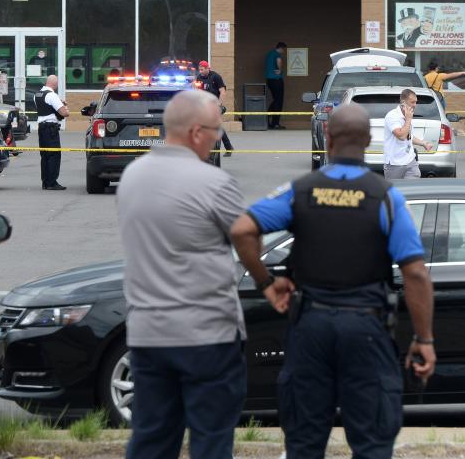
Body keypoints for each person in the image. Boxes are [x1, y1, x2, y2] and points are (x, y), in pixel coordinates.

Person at [231, 102, 435, 459]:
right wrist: (424, 338)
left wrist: (266, 282)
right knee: (371, 442)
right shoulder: (385, 197)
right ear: (369, 139)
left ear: (327, 136)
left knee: (305, 442)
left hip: (311, 327)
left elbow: (242, 229)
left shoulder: (301, 190)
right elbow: (415, 272)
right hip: (366, 329)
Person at [117, 90, 247, 459]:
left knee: (152, 439)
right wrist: (267, 281)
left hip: (148, 337)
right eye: (216, 130)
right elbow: (245, 236)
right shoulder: (214, 183)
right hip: (207, 336)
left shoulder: (132, 177)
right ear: (195, 132)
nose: (218, 137)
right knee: (212, 440)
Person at [383, 88, 434, 180]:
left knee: (414, 189)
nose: (415, 105)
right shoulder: (392, 116)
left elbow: (408, 136)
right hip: (395, 163)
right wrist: (408, 119)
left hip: (410, 161)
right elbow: (401, 136)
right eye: (412, 102)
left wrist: (423, 143)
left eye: (416, 102)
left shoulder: (407, 115)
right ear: (403, 102)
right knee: (395, 191)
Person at [34, 75, 69, 190]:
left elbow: (45, 108)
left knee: (44, 156)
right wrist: (63, 105)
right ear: (54, 83)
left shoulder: (37, 95)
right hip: (51, 129)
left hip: (42, 128)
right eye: (57, 82)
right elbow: (64, 113)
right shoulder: (52, 95)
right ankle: (52, 182)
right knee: (54, 155)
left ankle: (45, 182)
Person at [196, 60, 234, 156]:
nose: (200, 71)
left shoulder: (216, 77)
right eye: (199, 69)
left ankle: (225, 148)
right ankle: (228, 147)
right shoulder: (199, 77)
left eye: (202, 69)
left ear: (208, 68)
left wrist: (219, 104)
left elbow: (222, 91)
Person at [265, 41, 287, 129]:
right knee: (279, 101)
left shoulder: (269, 54)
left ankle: (267, 118)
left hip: (269, 80)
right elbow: (279, 62)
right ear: (281, 48)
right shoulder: (277, 55)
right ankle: (275, 123)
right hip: (276, 79)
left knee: (275, 100)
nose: (284, 52)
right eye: (284, 50)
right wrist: (280, 69)